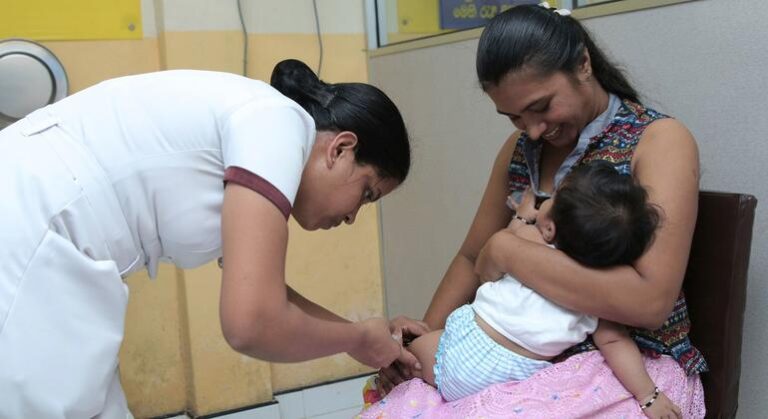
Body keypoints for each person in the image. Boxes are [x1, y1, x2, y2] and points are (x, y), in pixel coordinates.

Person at [0, 59, 427, 418]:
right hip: (32, 232)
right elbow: (250, 324)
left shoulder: (263, 131)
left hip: (49, 238)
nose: (353, 216)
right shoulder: (278, 125)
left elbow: (266, 296)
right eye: (367, 193)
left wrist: (362, 336)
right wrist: (356, 339)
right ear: (340, 149)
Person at [368, 3, 706, 417]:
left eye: (542, 107)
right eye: (513, 117)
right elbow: (473, 256)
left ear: (583, 64)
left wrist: (511, 251)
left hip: (627, 364)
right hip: (515, 359)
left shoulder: (657, 141)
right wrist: (422, 348)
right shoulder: (520, 151)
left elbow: (649, 302)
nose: (532, 130)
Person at [404, 161, 680, 418]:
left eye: (555, 196)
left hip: (466, 343)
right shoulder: (597, 300)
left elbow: (498, 250)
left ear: (550, 228)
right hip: (514, 376)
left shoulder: (531, 241)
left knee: (415, 350)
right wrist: (649, 396)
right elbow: (616, 343)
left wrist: (523, 216)